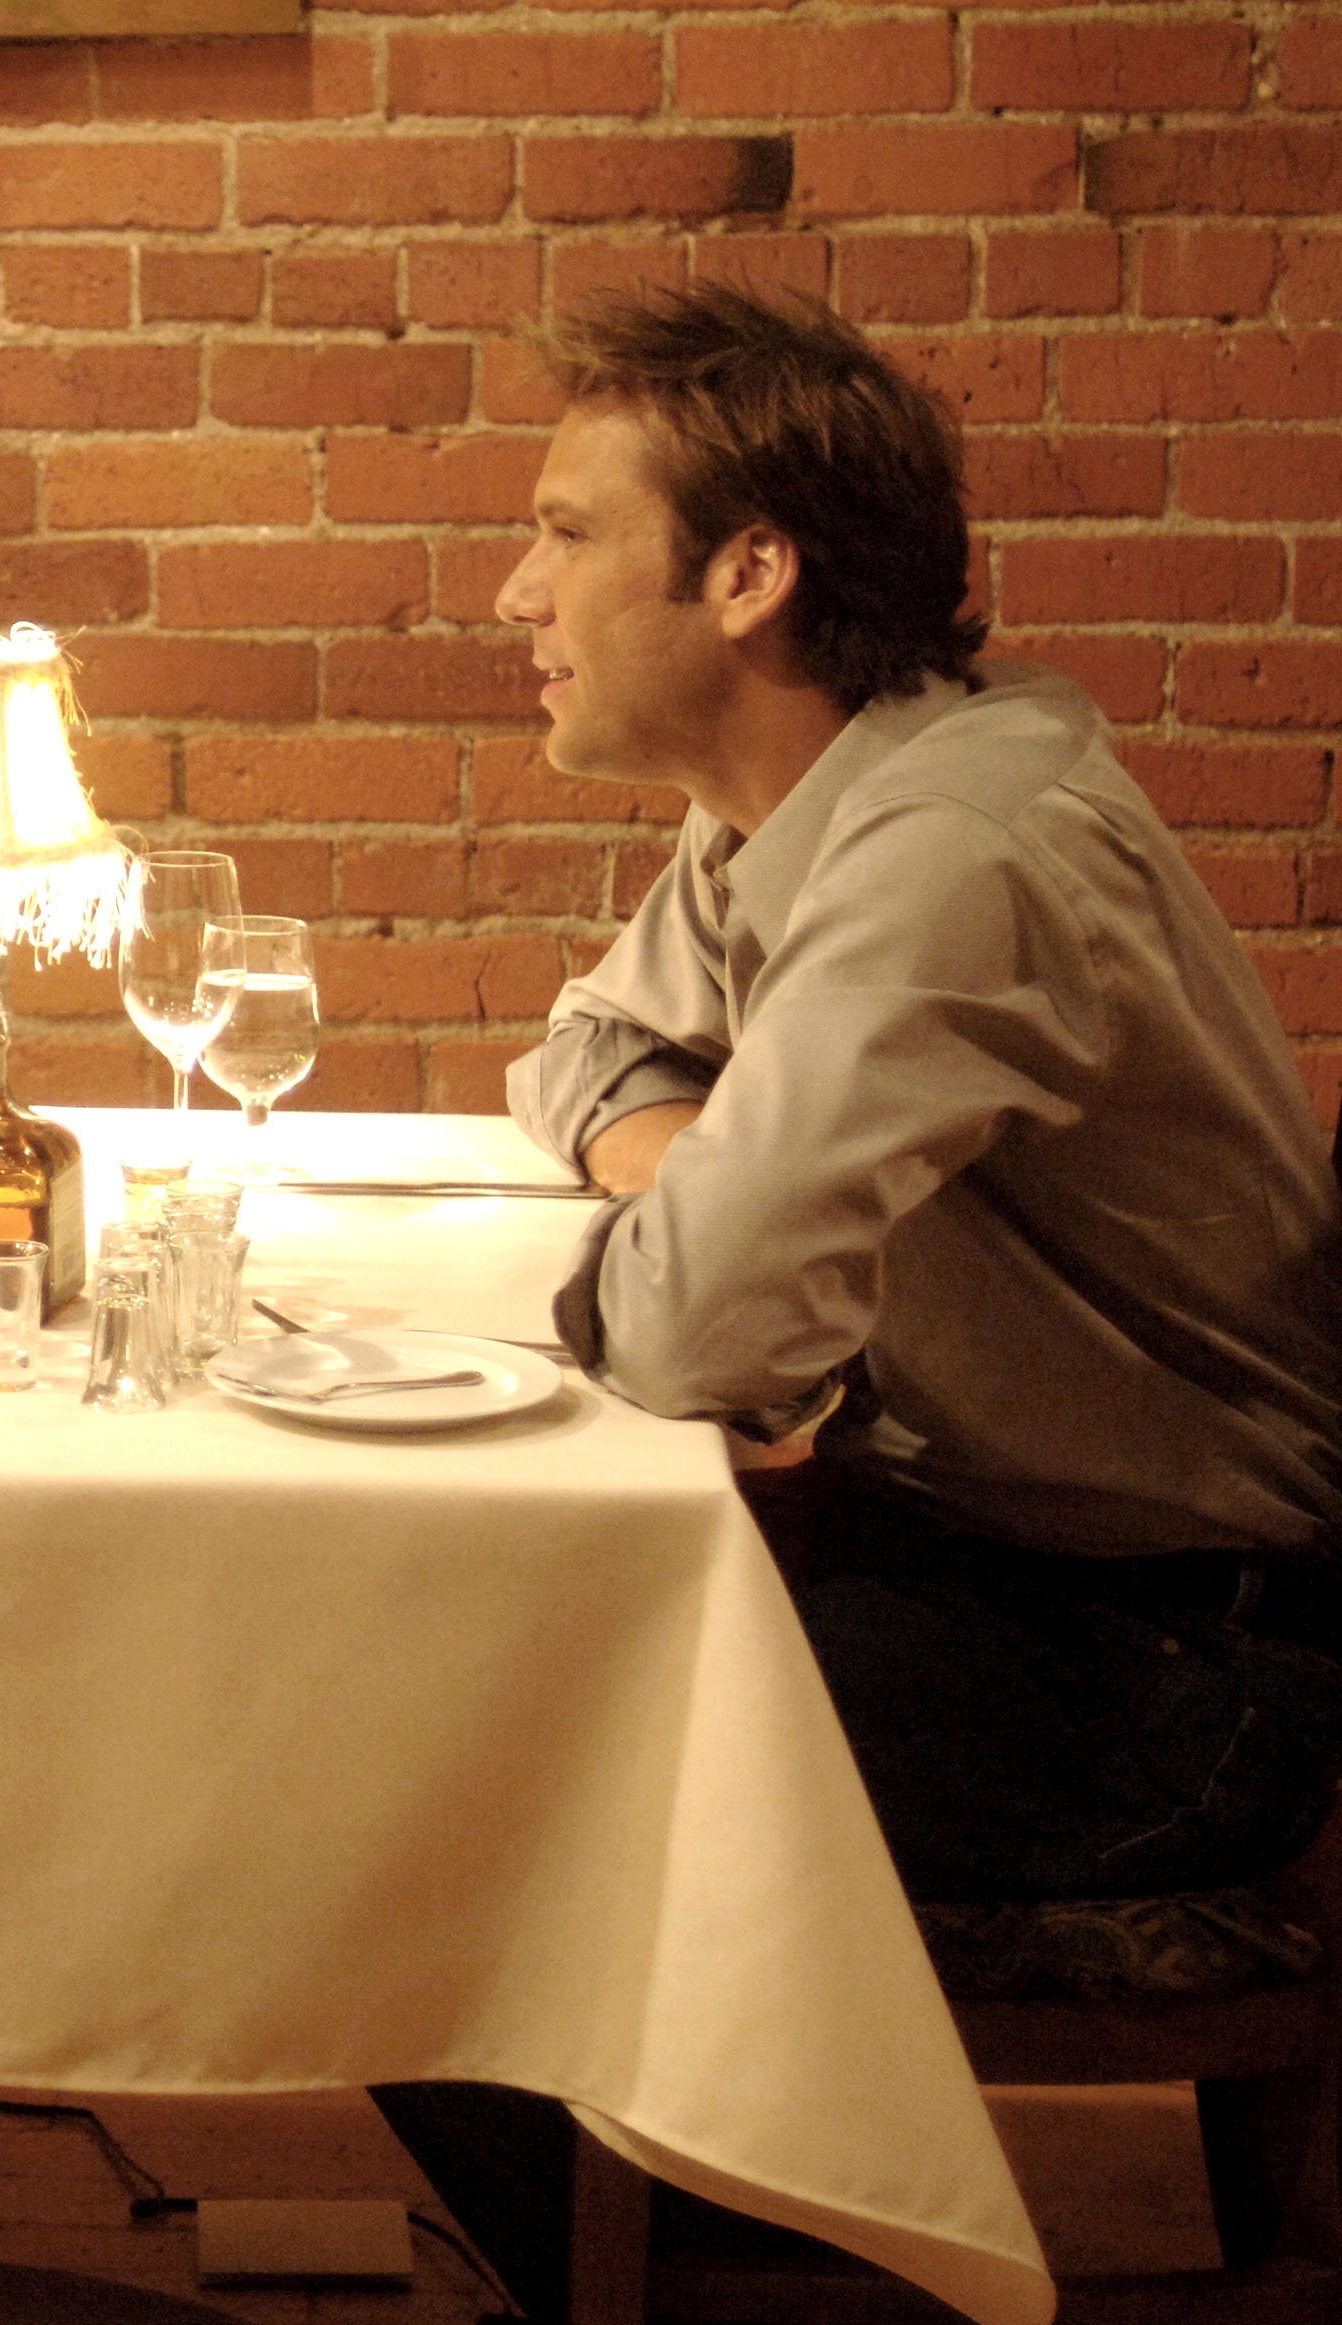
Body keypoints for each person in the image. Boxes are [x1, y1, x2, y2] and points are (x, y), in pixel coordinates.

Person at [371, 280, 1342, 2318]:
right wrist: (678, 1148)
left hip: (1165, 1665)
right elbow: (575, 1046)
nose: (506, 590)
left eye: (560, 530)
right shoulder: (802, 813)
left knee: (401, 1773)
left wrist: (693, 1192)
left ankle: (748, 2283)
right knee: (379, 1701)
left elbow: (692, 1338)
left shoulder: (946, 850)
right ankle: (722, 2255)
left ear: (747, 571)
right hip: (978, 1564)